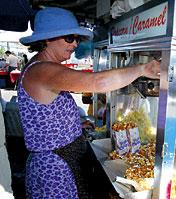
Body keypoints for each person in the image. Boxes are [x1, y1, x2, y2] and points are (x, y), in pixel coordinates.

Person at [17, 7, 160, 199]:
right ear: (47, 39)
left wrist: (75, 126)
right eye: (69, 38)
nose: (75, 43)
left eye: (77, 38)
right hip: (55, 169)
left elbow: (48, 113)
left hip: (63, 161)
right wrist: (143, 68)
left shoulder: (41, 67)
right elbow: (98, 82)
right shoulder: (41, 70)